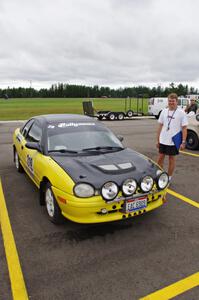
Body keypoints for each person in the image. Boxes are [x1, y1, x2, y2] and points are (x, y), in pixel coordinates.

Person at [156, 93, 188, 182]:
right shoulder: (164, 111)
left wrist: (183, 142)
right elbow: (160, 126)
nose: (171, 103)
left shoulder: (181, 113)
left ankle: (169, 177)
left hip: (173, 141)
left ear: (176, 102)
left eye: (173, 101)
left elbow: (184, 128)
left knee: (171, 159)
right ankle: (160, 175)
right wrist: (157, 139)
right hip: (163, 139)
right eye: (169, 101)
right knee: (160, 158)